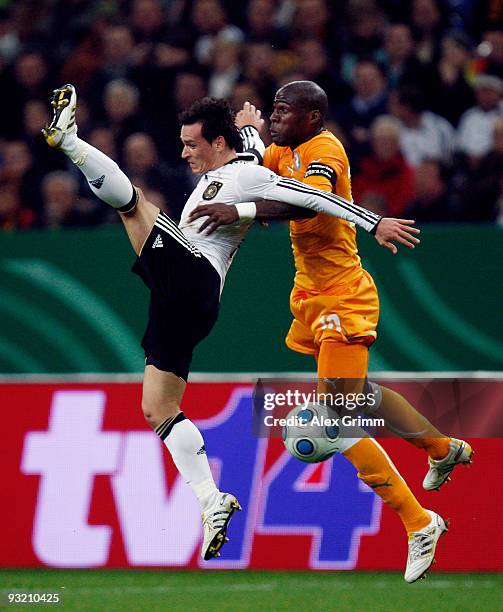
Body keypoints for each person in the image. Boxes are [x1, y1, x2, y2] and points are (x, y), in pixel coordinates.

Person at [42, 84, 415, 562]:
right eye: (182, 144)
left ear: (218, 144)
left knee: (133, 203)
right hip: (183, 301)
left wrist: (373, 221)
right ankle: (211, 500)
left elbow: (312, 198)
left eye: (192, 144)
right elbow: (252, 149)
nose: (184, 153)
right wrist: (251, 128)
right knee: (157, 408)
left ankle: (70, 139)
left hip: (195, 273)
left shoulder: (247, 178)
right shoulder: (238, 163)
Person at [189, 82, 473, 582]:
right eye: (272, 110)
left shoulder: (326, 150)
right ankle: (441, 448)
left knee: (336, 418)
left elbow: (309, 204)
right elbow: (258, 174)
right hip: (309, 292)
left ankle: (419, 522)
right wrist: (248, 135)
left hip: (342, 292)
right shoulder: (279, 150)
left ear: (313, 116)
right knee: (356, 398)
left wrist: (242, 211)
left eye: (284, 110)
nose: (276, 117)